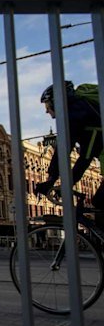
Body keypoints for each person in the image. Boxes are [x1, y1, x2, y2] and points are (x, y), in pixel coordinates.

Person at [35, 81, 103, 227]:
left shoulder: (77, 115)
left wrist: (59, 181)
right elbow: (65, 148)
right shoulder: (78, 113)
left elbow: (84, 155)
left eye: (47, 105)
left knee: (100, 201)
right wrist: (54, 179)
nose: (47, 111)